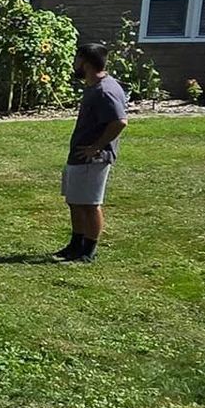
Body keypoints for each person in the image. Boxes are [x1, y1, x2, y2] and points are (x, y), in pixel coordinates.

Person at [59, 40, 128, 263]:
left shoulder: (105, 91)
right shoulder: (94, 86)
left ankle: (88, 250)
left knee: (90, 204)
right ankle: (75, 244)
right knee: (75, 200)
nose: (75, 64)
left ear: (86, 63)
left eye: (77, 59)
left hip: (94, 158)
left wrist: (95, 147)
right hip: (80, 154)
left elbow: (119, 122)